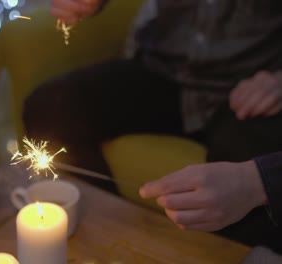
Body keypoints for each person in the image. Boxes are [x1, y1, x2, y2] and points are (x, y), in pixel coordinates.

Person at [23, 0, 282, 254]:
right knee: (50, 108)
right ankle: (106, 236)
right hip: (161, 68)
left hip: (248, 88)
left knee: (244, 174)